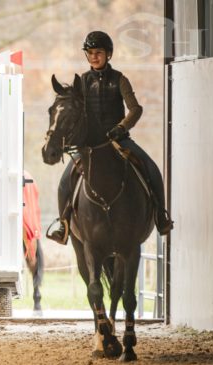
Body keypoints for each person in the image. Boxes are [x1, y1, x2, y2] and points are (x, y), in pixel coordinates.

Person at [47, 30, 173, 245]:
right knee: (64, 183)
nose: (94, 56)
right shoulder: (83, 82)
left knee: (151, 168)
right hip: (89, 145)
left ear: (109, 54)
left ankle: (160, 215)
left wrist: (121, 127)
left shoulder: (120, 80)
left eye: (99, 52)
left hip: (118, 139)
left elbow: (135, 109)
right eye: (90, 53)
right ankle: (63, 225)